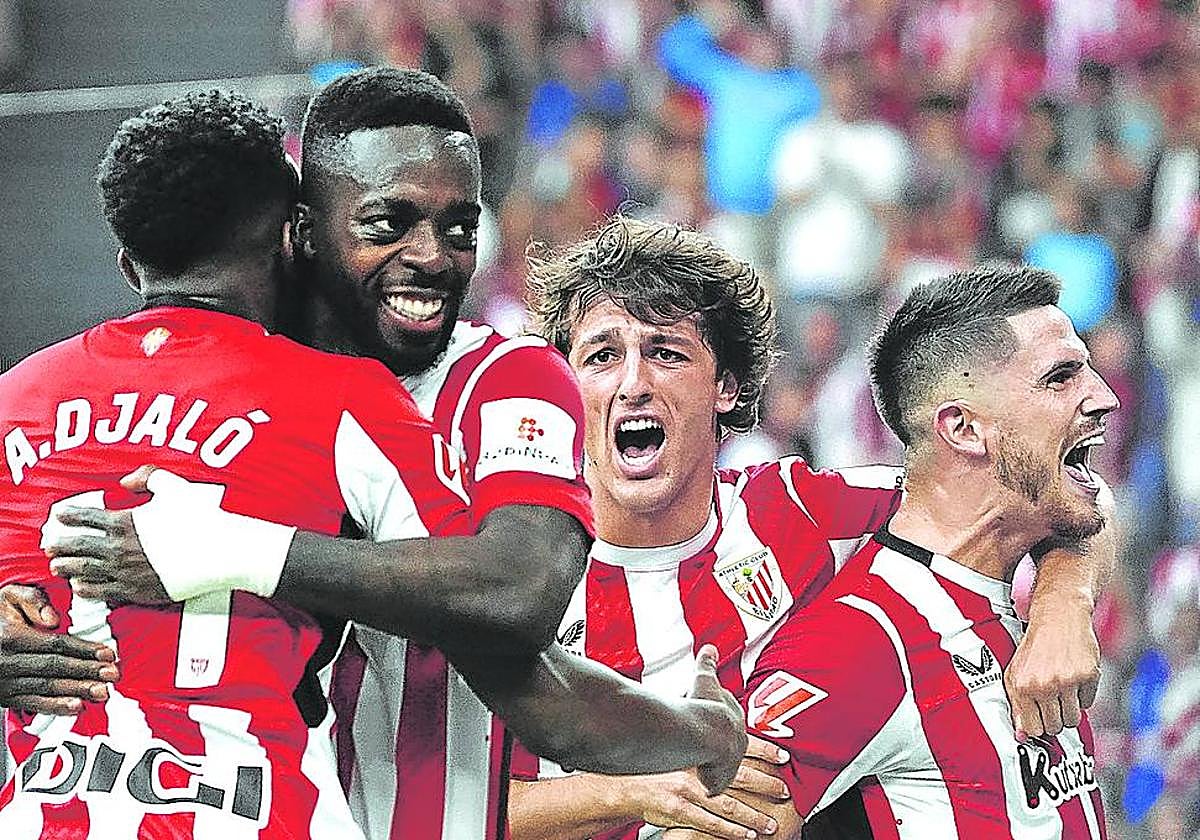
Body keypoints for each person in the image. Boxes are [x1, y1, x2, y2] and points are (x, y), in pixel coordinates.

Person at [8, 71, 748, 837]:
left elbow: (518, 595)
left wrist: (235, 550)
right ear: (302, 230)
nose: (431, 258)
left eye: (461, 230)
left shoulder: (505, 379)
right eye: (387, 224)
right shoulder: (275, 391)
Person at [504, 218, 1115, 840]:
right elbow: (453, 805)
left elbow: (1027, 492)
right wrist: (639, 790)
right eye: (602, 357)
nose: (633, 383)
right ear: (566, 388)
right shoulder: (524, 582)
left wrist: (1063, 607)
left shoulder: (799, 512)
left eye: (666, 352)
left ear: (725, 388)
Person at [678, 265, 1117, 838]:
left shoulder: (1016, 571)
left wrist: (1068, 601)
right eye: (1061, 378)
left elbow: (1094, 506)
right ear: (963, 429)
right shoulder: (860, 644)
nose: (1104, 397)